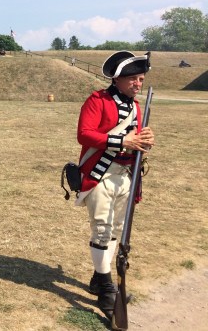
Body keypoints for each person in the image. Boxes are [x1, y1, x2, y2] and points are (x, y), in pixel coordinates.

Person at [75, 51, 155, 319]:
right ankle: (107, 288)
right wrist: (123, 142)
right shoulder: (97, 100)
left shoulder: (135, 106)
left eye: (141, 78)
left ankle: (101, 278)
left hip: (125, 175)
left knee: (116, 230)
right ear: (118, 79)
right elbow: (84, 134)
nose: (138, 83)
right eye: (132, 78)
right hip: (99, 174)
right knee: (101, 229)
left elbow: (135, 138)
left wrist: (144, 141)